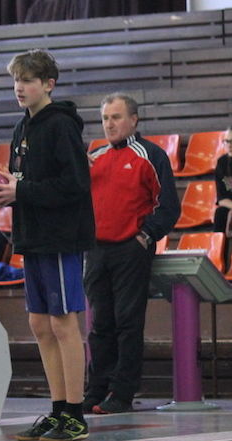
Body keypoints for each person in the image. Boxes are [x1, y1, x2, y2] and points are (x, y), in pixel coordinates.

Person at [0, 49, 95, 441]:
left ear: (48, 84)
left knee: (63, 322)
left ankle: (76, 414)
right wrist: (9, 188)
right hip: (33, 235)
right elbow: (24, 180)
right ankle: (57, 410)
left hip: (60, 237)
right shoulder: (23, 126)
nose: (19, 87)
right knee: (39, 323)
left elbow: (75, 184)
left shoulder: (61, 125)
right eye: (16, 80)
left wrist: (22, 190)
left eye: (28, 80)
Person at [84, 93, 180, 414]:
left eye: (116, 117)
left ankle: (122, 393)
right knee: (100, 324)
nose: (109, 124)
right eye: (105, 118)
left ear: (134, 120)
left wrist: (146, 235)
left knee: (127, 322)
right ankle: (96, 390)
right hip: (96, 249)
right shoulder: (94, 157)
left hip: (130, 248)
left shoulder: (150, 155)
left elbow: (169, 206)